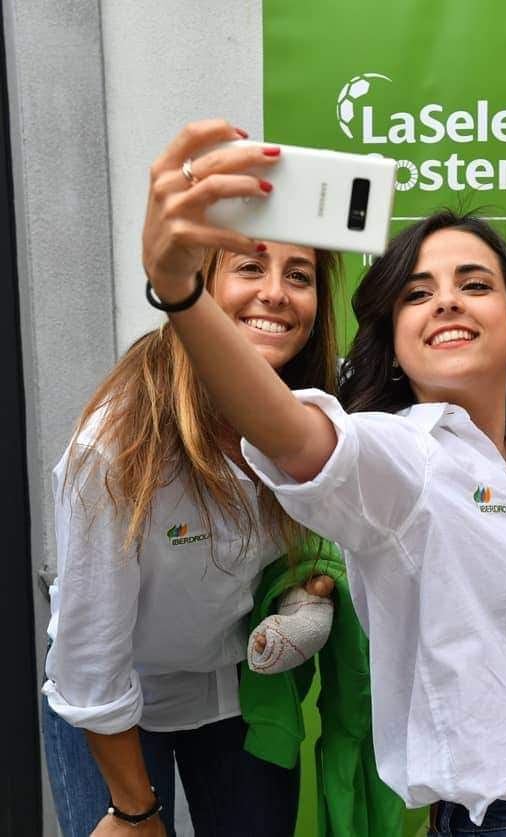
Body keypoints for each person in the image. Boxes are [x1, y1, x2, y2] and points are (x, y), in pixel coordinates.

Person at [138, 119, 506, 837]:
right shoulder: (402, 460)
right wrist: (180, 291)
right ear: (396, 344)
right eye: (418, 293)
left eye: (474, 284)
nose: (447, 301)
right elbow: (288, 430)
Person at [42, 225, 341, 836]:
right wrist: (134, 809)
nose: (277, 294)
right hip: (115, 703)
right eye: (251, 269)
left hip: (237, 691)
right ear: (197, 286)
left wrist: (306, 586)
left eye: (299, 275)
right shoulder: (117, 448)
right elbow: (90, 663)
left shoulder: (312, 418)